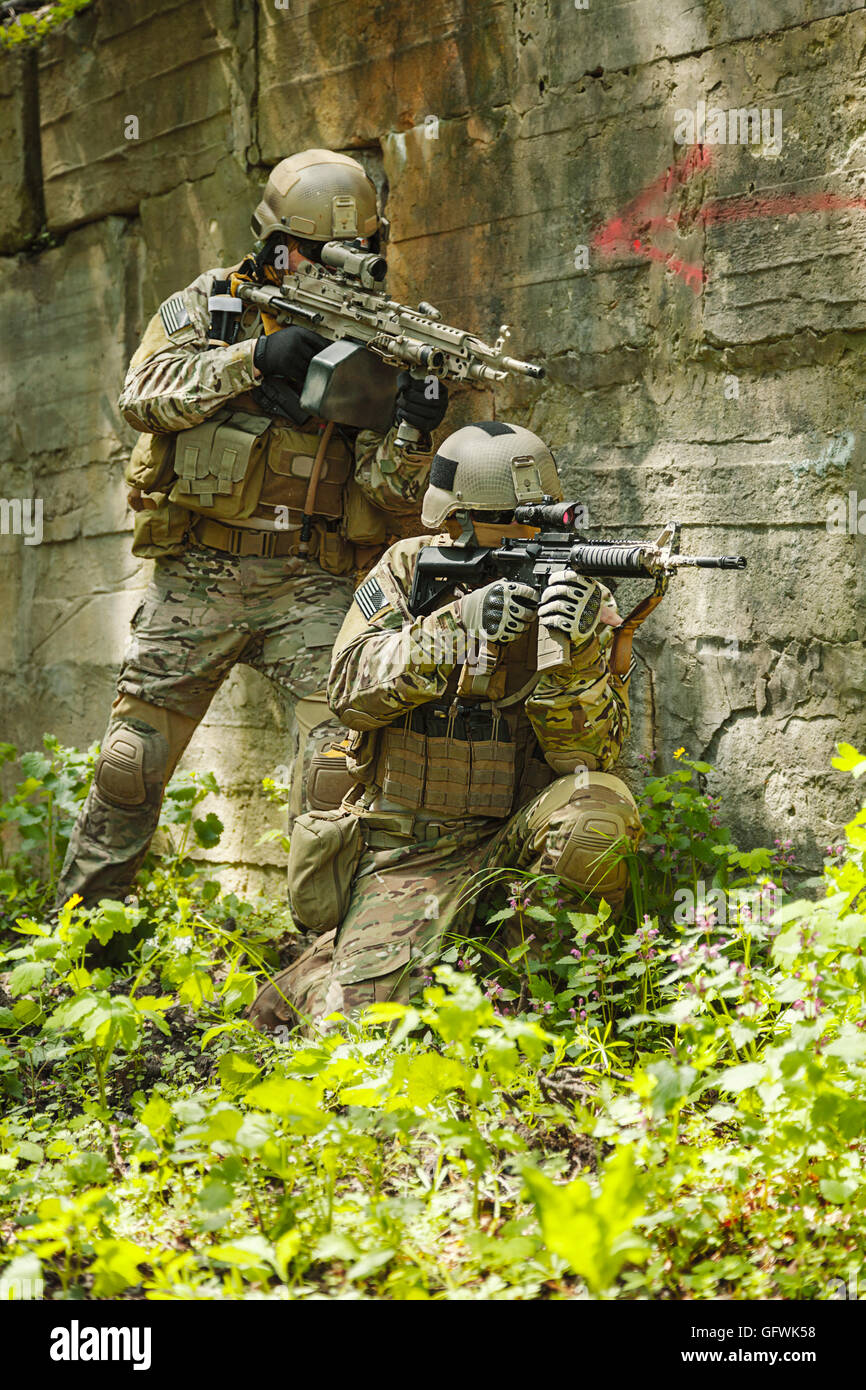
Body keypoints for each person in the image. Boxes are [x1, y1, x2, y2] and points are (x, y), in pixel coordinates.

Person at [55, 149, 448, 912]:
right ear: (275, 247)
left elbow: (392, 500)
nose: (347, 265)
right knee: (128, 767)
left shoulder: (381, 337)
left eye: (363, 251)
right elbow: (144, 398)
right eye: (324, 252)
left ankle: (327, 956)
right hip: (201, 570)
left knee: (340, 765)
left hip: (313, 577)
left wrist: (412, 428)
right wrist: (253, 358)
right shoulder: (210, 304)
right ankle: (84, 946)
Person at [248, 420, 643, 1033]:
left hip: (511, 836)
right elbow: (349, 692)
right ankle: (326, 970)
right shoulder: (407, 572)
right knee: (368, 1035)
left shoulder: (572, 591)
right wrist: (455, 626)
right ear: (455, 521)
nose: (528, 533)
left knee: (598, 814)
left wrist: (574, 654)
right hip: (406, 849)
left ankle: (532, 1007)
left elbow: (587, 756)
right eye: (508, 520)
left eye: (540, 518)